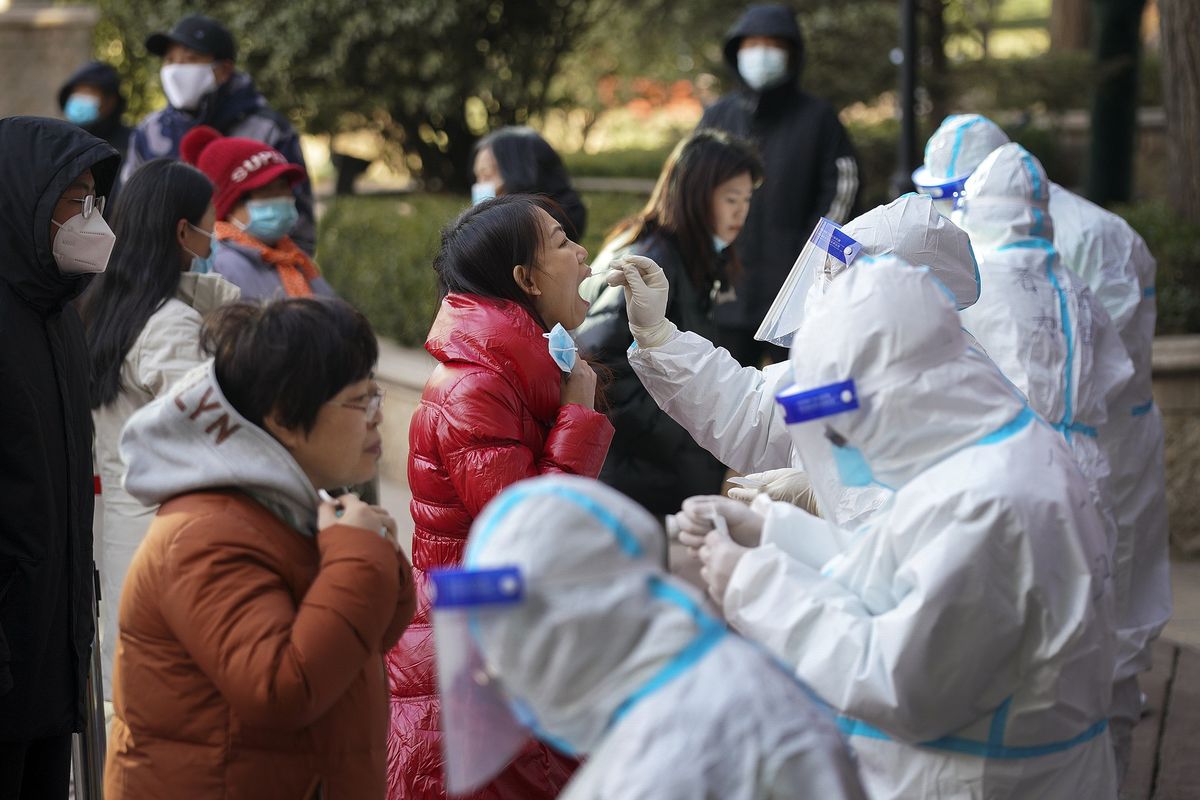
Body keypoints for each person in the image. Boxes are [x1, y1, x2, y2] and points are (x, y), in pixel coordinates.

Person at [678, 260, 1119, 799]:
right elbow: (901, 571)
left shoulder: (986, 501)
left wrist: (750, 582)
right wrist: (776, 533)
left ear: (885, 399)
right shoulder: (984, 449)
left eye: (841, 427)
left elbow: (898, 681)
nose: (840, 446)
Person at [914, 114, 1171, 777]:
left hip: (1064, 462)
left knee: (1053, 644)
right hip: (1089, 464)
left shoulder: (1035, 263)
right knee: (1091, 629)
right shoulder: (1065, 276)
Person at [104, 298, 416, 798]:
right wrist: (358, 556)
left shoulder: (289, 502)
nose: (378, 418)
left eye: (376, 396)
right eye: (361, 402)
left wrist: (370, 554)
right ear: (284, 420)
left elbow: (369, 634)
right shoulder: (205, 534)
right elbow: (280, 688)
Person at [431, 474, 868, 799]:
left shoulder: (660, 760)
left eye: (513, 642)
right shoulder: (717, 682)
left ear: (573, 624)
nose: (493, 672)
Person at [388, 195, 615, 799]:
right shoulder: (474, 390)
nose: (583, 254)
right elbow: (526, 534)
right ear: (525, 279)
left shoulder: (520, 372)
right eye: (563, 242)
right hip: (478, 654)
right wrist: (577, 416)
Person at [606, 193, 978, 529]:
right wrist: (659, 336)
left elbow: (950, 514)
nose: (824, 284)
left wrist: (828, 500)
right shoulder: (848, 361)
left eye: (845, 278)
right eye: (828, 270)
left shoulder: (959, 386)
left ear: (907, 295)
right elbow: (753, 412)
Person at [80, 158, 240, 701]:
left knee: (124, 694)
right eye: (210, 225)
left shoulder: (106, 304)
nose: (214, 237)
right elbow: (214, 429)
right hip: (165, 532)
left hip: (119, 526)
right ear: (182, 232)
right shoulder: (169, 325)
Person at [0, 116, 119, 800]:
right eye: (74, 201)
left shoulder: (57, 315)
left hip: (51, 646)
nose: (90, 220)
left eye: (95, 201)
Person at [574, 129, 761, 515]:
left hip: (661, 476)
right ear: (694, 195)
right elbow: (601, 364)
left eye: (746, 199)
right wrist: (687, 429)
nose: (740, 212)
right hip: (635, 483)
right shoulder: (650, 260)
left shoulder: (700, 260)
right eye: (730, 199)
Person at [699, 2, 861, 368]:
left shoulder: (818, 118)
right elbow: (691, 187)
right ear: (736, 51)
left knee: (805, 392)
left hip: (798, 292)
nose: (761, 53)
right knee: (725, 399)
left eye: (773, 44)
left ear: (792, 53)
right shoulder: (717, 117)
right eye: (752, 44)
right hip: (727, 289)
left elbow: (843, 187)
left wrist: (813, 256)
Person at [121, 14, 316, 253]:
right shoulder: (148, 131)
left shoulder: (267, 129)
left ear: (224, 70)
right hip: (162, 274)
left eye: (190, 59)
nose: (175, 70)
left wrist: (291, 274)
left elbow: (298, 214)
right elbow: (129, 211)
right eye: (170, 60)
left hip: (255, 275)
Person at [180, 125, 334, 299]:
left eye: (284, 187)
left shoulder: (294, 258)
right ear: (229, 206)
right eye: (266, 190)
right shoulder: (219, 268)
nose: (282, 198)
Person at [472, 126, 588, 239]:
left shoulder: (537, 230)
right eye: (477, 177)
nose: (479, 186)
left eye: (487, 175)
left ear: (519, 172)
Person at [58, 61, 133, 178]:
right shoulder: (61, 143)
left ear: (111, 101)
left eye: (88, 91)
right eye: (76, 92)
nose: (79, 98)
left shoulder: (132, 144)